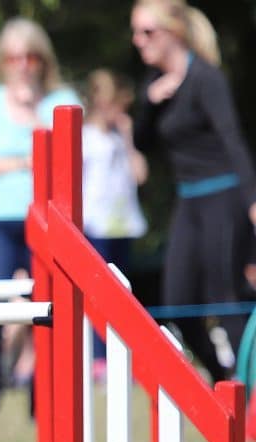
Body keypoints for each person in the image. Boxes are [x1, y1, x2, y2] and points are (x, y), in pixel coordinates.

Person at [0, 17, 81, 425]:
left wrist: (32, 115)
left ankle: (42, 401)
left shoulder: (61, 99)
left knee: (47, 314)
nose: (22, 65)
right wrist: (27, 160)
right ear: (3, 61)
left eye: (30, 56)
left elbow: (69, 163)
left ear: (42, 60)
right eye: (13, 57)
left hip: (48, 222)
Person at [131, 0, 256, 382]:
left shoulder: (206, 78)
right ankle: (222, 384)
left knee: (226, 296)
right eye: (135, 33)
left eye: (148, 32)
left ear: (175, 32)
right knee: (177, 303)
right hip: (188, 200)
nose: (139, 41)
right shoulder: (152, 85)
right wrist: (149, 105)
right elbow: (141, 141)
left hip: (225, 194)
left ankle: (250, 396)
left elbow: (232, 139)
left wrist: (253, 200)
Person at [82, 69, 149, 380]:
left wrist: (128, 139)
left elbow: (140, 174)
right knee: (100, 293)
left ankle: (119, 352)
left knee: (124, 293)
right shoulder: (85, 137)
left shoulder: (118, 139)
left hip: (121, 225)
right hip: (96, 226)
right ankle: (99, 356)